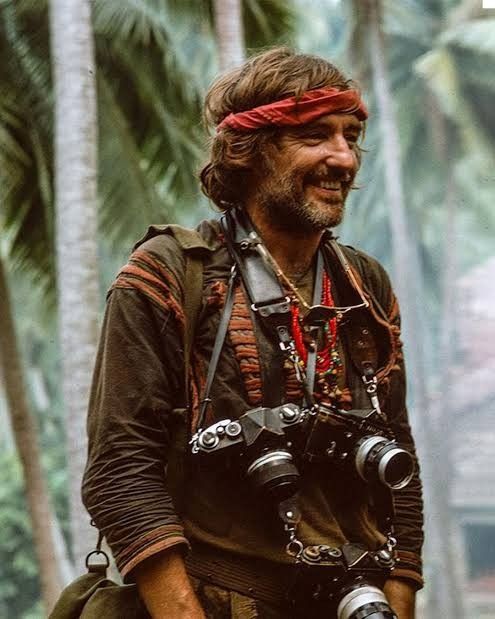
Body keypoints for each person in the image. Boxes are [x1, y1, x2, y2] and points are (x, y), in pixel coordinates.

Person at [82, 48, 424, 619]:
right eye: (316, 135)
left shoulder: (363, 284)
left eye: (351, 136)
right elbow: (121, 468)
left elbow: (400, 458)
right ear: (251, 151)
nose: (343, 159)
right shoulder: (168, 273)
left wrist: (398, 595)